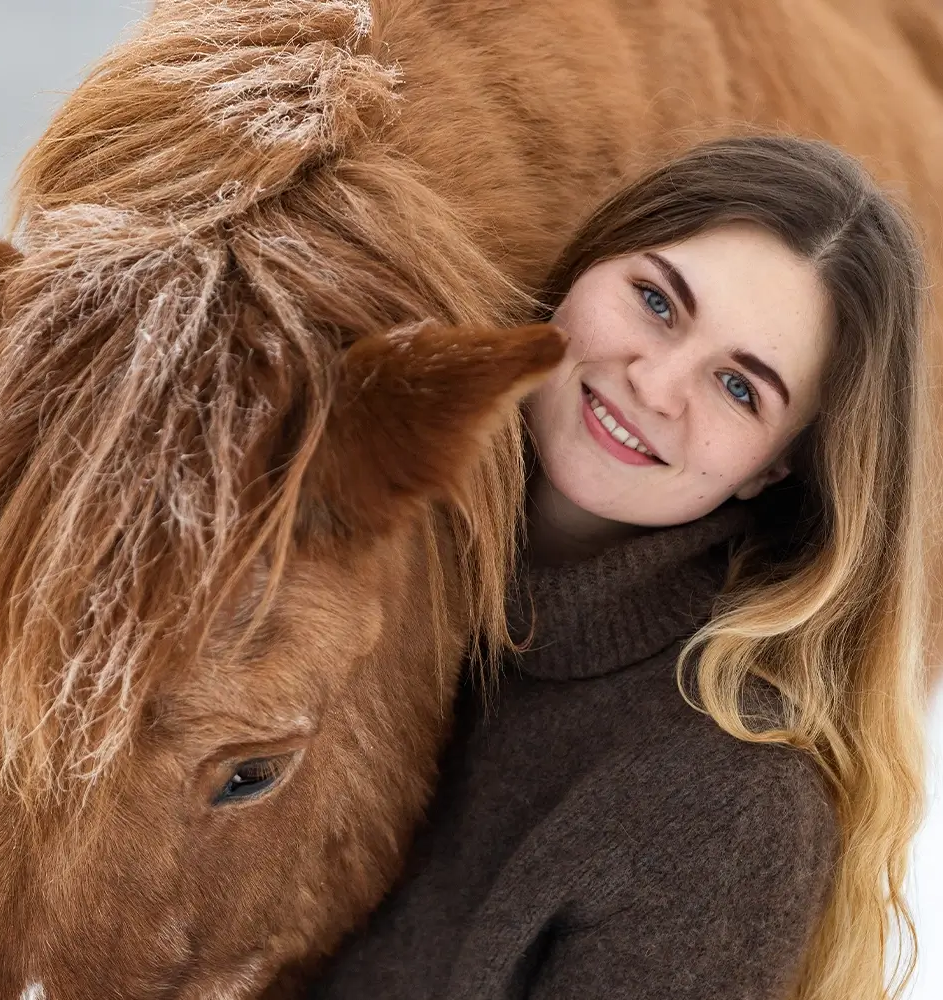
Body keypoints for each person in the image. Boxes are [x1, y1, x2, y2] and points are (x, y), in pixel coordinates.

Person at [310, 136, 931, 1000]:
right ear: (585, 266)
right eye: (656, 301)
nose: (657, 381)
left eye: (740, 388)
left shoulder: (727, 807)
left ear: (774, 468)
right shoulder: (341, 518)